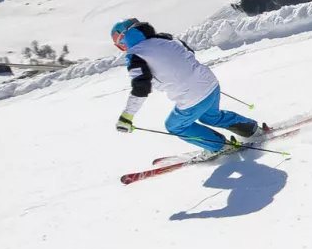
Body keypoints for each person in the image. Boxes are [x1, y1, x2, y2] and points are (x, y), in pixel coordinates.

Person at [110, 18, 266, 152]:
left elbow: (141, 88)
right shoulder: (165, 38)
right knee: (211, 117)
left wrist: (127, 117)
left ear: (123, 40)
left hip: (191, 98)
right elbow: (188, 55)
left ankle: (220, 147)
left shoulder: (135, 55)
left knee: (175, 126)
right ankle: (253, 130)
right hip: (210, 84)